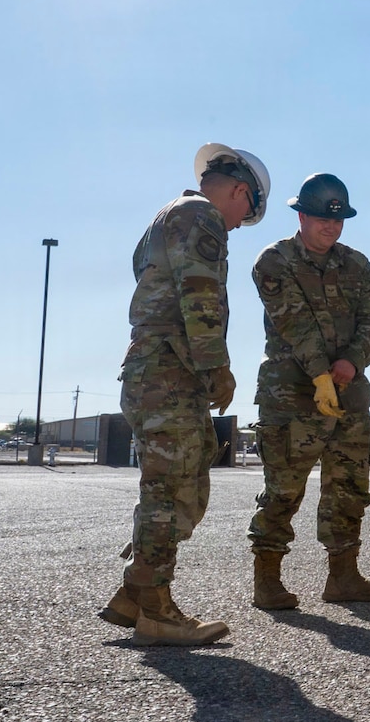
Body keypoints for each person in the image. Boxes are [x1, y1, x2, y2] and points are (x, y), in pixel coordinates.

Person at [98, 143, 270, 646]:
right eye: (245, 213)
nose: (237, 225)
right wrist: (218, 368)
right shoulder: (202, 216)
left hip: (154, 368)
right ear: (240, 190)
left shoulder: (165, 217)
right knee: (175, 489)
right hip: (171, 372)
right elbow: (200, 298)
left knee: (174, 483)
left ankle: (135, 594)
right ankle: (155, 608)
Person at [246, 173, 370, 611]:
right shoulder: (273, 261)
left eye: (339, 221)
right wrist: (320, 374)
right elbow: (293, 322)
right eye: (322, 220)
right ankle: (267, 581)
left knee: (349, 489)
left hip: (349, 393)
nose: (331, 228)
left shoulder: (359, 266)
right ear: (302, 215)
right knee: (283, 489)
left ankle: (343, 577)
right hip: (290, 396)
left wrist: (352, 363)